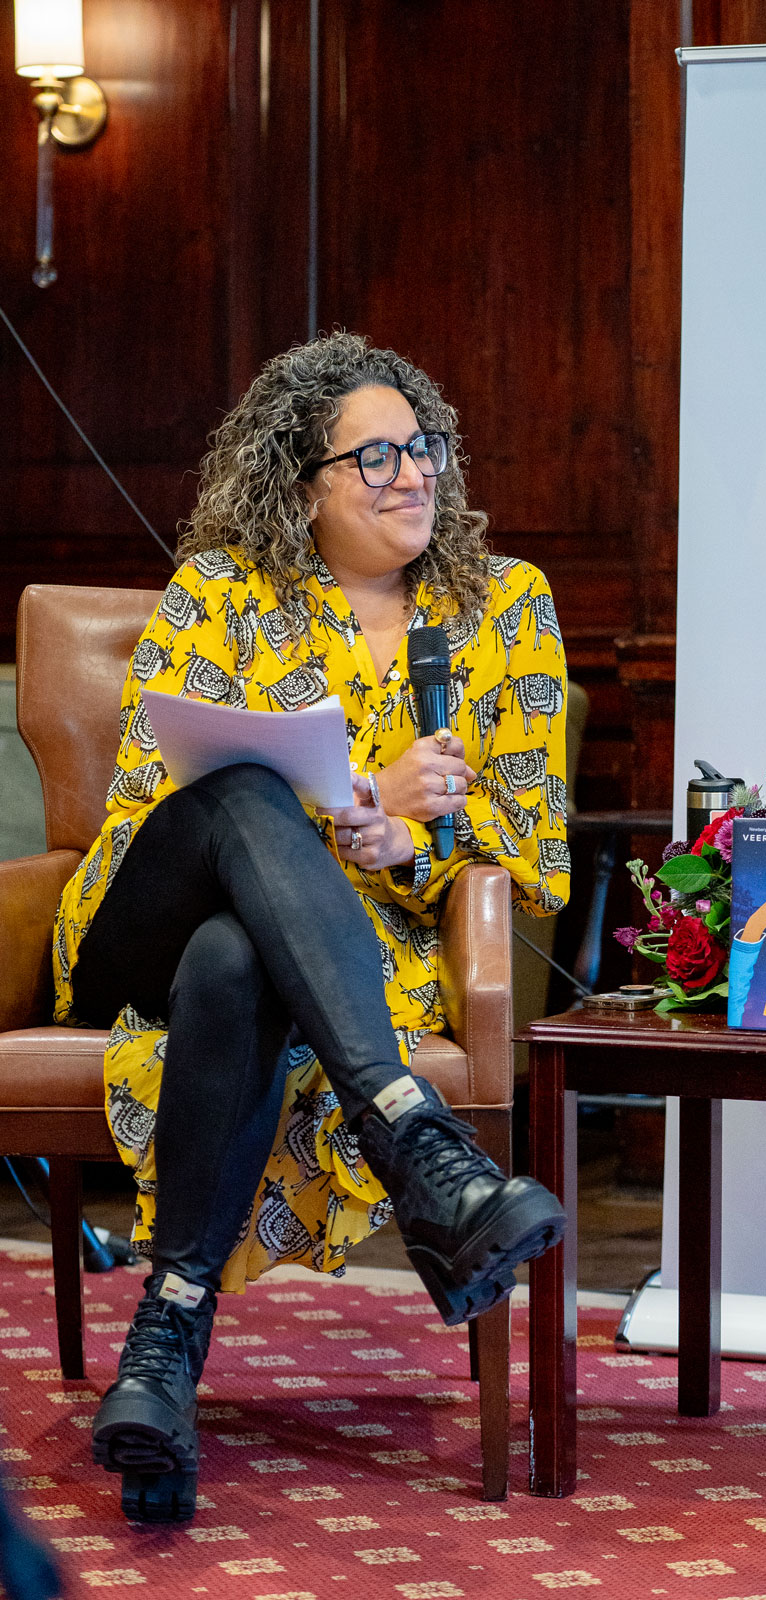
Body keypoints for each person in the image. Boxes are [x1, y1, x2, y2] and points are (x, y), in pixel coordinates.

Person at [52, 331, 569, 1524]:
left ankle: (164, 1349)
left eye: (422, 446)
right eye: (374, 455)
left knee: (238, 960)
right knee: (238, 792)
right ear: (300, 484)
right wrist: (360, 801)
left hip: (330, 954)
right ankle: (413, 1137)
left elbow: (535, 846)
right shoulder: (222, 591)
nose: (413, 472)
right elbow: (152, 791)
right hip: (144, 923)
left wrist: (411, 841)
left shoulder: (502, 607)